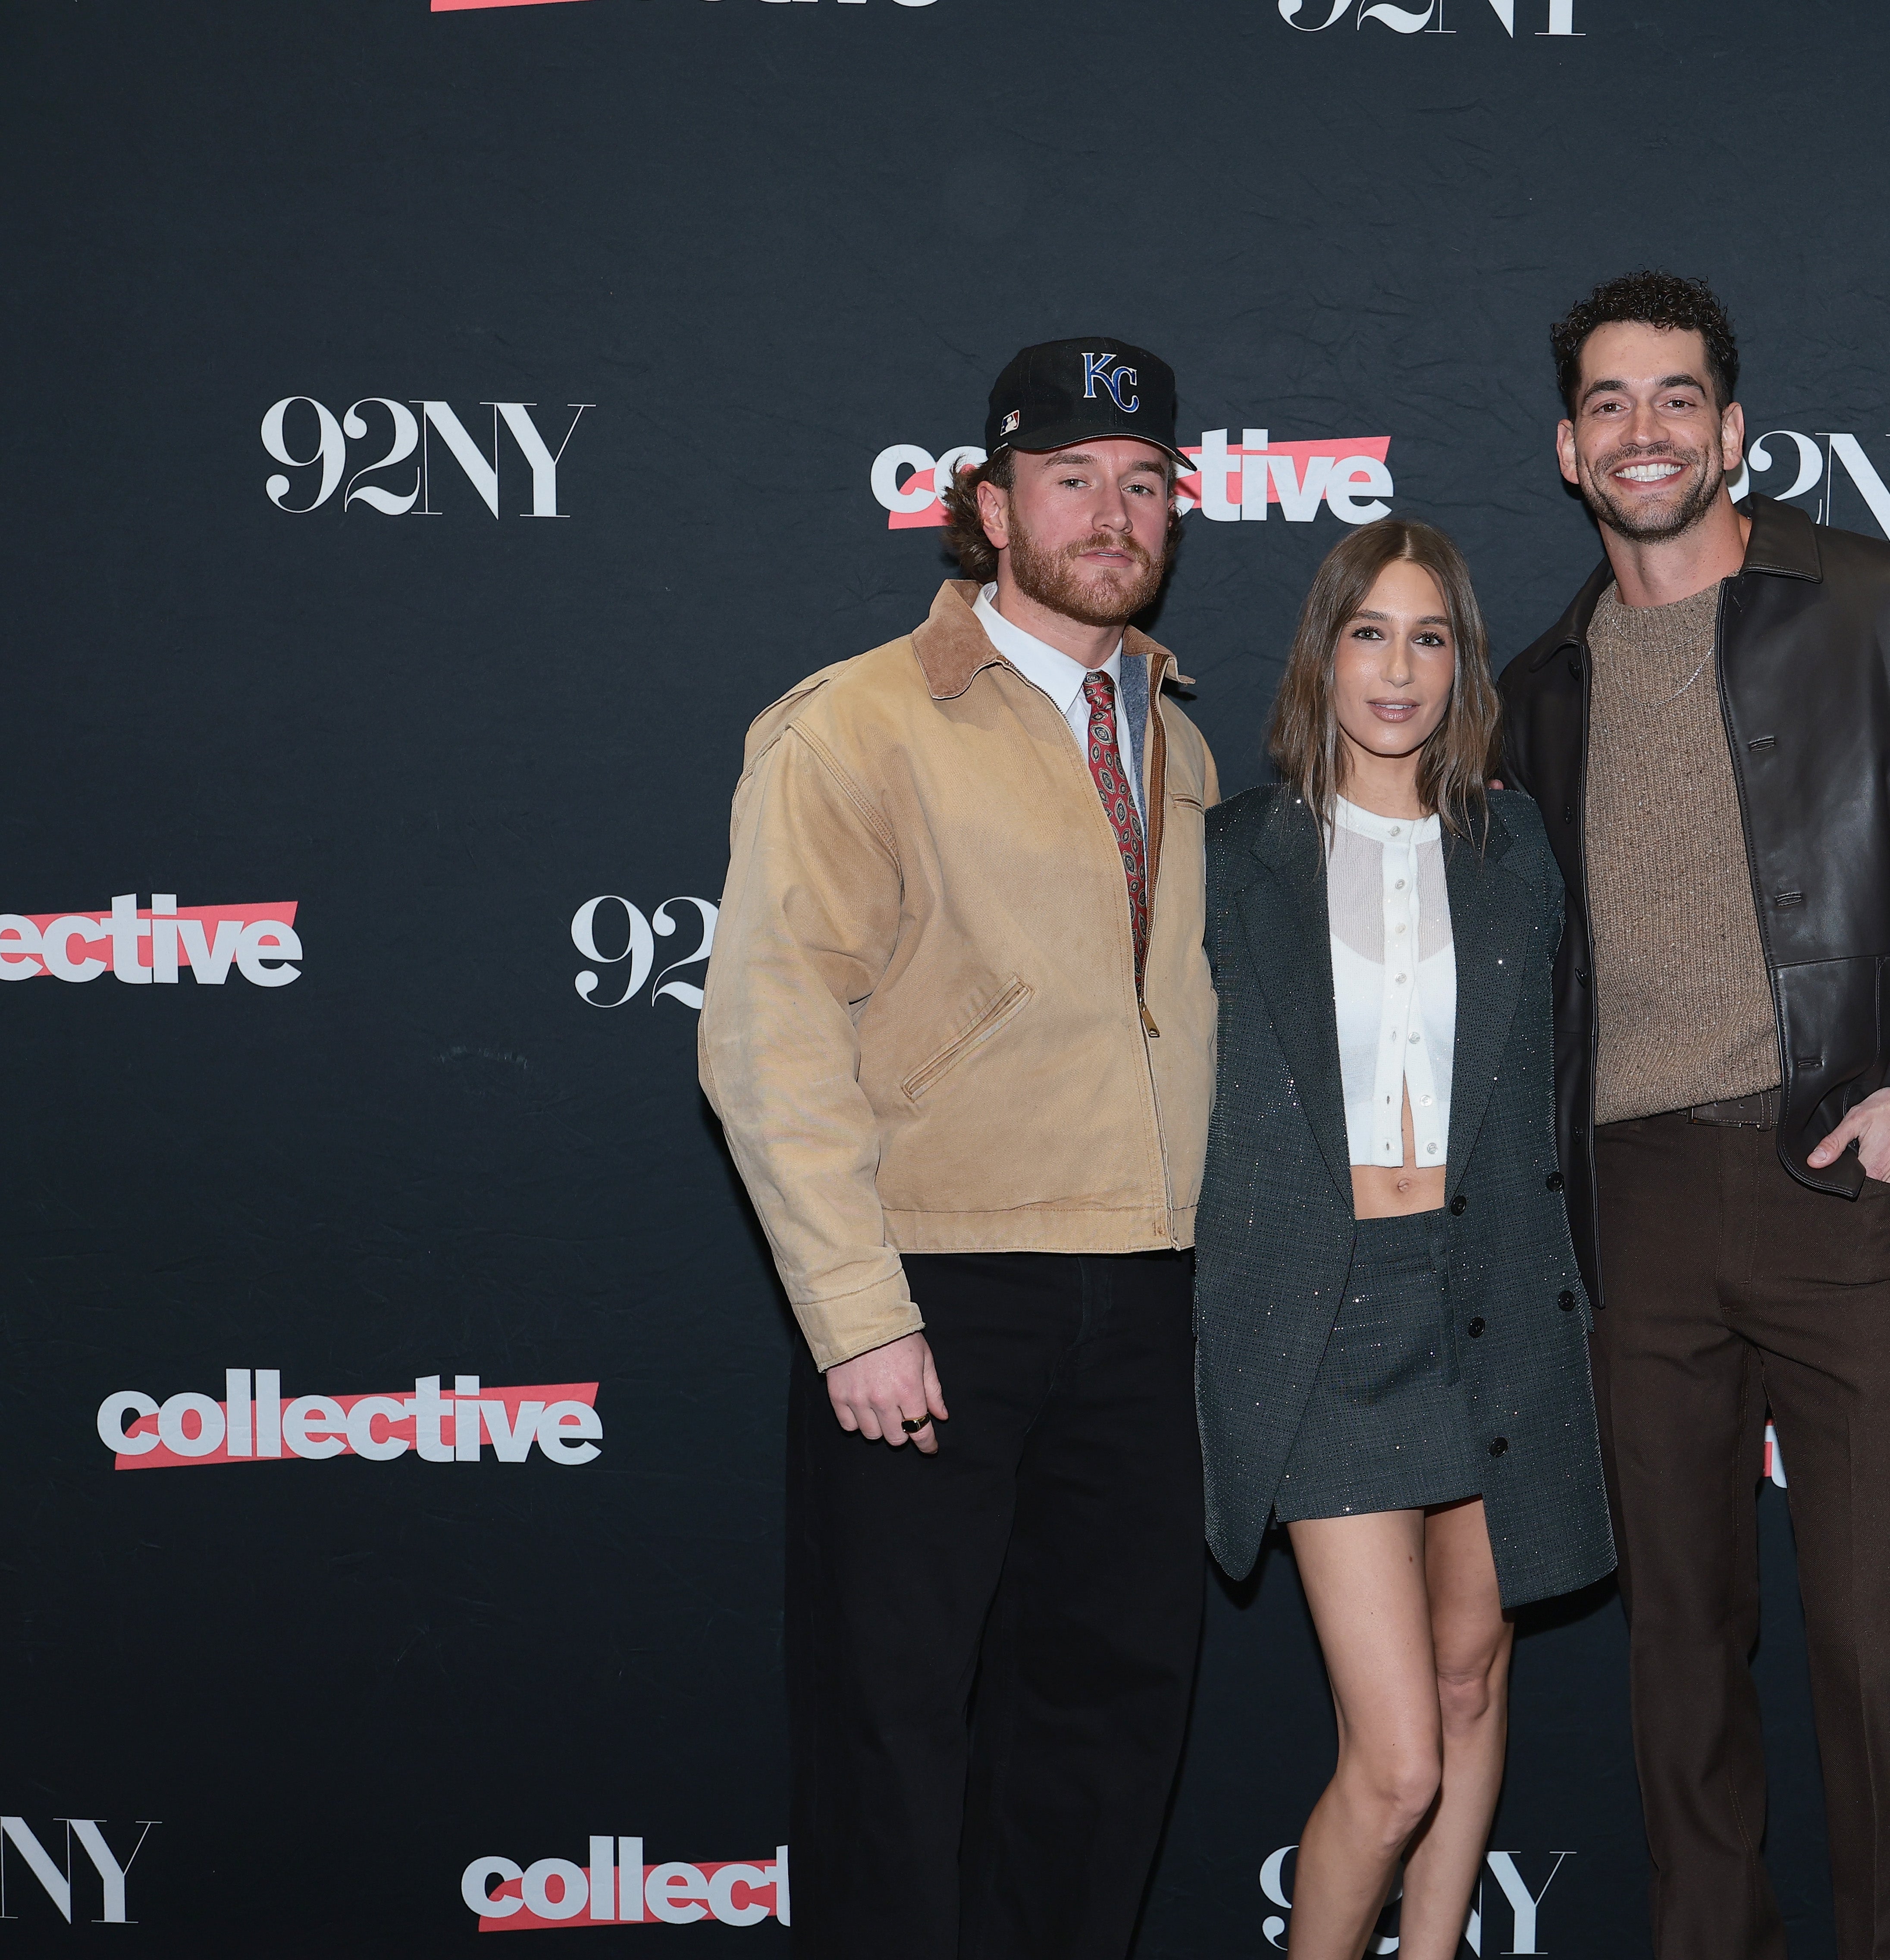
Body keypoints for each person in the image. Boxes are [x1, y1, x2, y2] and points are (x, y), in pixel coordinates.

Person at [1495, 270, 1890, 1960]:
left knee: (1881, 1657)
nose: (1647, 431)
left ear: (1735, 429)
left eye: (1679, 397)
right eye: (1612, 404)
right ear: (1569, 449)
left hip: (1850, 1196)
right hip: (1630, 1216)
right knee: (1679, 1663)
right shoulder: (1536, 689)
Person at [697, 337, 1219, 1960]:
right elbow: (768, 1034)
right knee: (894, 1728)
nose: (1111, 511)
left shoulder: (1175, 733)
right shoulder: (854, 724)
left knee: (1104, 1720)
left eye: (1143, 483)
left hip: (1145, 1296)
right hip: (936, 1295)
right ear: (987, 507)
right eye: (1069, 478)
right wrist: (858, 1312)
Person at [1197, 517, 1614, 1960]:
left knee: (1472, 1682)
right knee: (1394, 1763)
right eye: (1371, 631)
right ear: (1324, 652)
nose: (1400, 666)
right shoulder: (1234, 854)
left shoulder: (1517, 855)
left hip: (1496, 1298)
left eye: (1431, 636)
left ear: (1464, 664)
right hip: (1323, 1322)